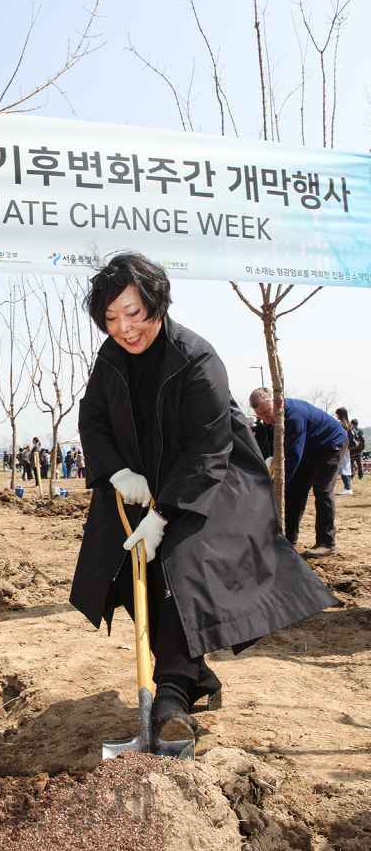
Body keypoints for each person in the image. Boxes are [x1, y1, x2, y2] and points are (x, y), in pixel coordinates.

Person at [71, 252, 336, 749]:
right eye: (110, 318)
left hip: (212, 482)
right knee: (127, 568)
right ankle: (196, 673)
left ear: (158, 303)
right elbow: (94, 420)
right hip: (140, 482)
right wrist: (116, 471)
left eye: (133, 313)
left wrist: (165, 513)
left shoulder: (196, 358)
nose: (124, 328)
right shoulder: (109, 359)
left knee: (179, 563)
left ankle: (171, 692)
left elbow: (209, 448)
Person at [250, 388, 348, 558]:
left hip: (330, 445)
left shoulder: (294, 415)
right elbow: (272, 444)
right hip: (308, 450)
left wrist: (276, 486)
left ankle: (327, 542)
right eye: (260, 416)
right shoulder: (269, 419)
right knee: (295, 492)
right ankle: (289, 538)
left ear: (276, 403)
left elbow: (293, 455)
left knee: (322, 490)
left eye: (267, 412)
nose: (265, 419)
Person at [334, 407, 356, 496]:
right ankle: (348, 487)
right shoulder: (348, 424)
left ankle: (347, 487)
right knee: (346, 467)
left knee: (343, 468)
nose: (336, 416)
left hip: (342, 448)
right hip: (347, 448)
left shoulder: (341, 424)